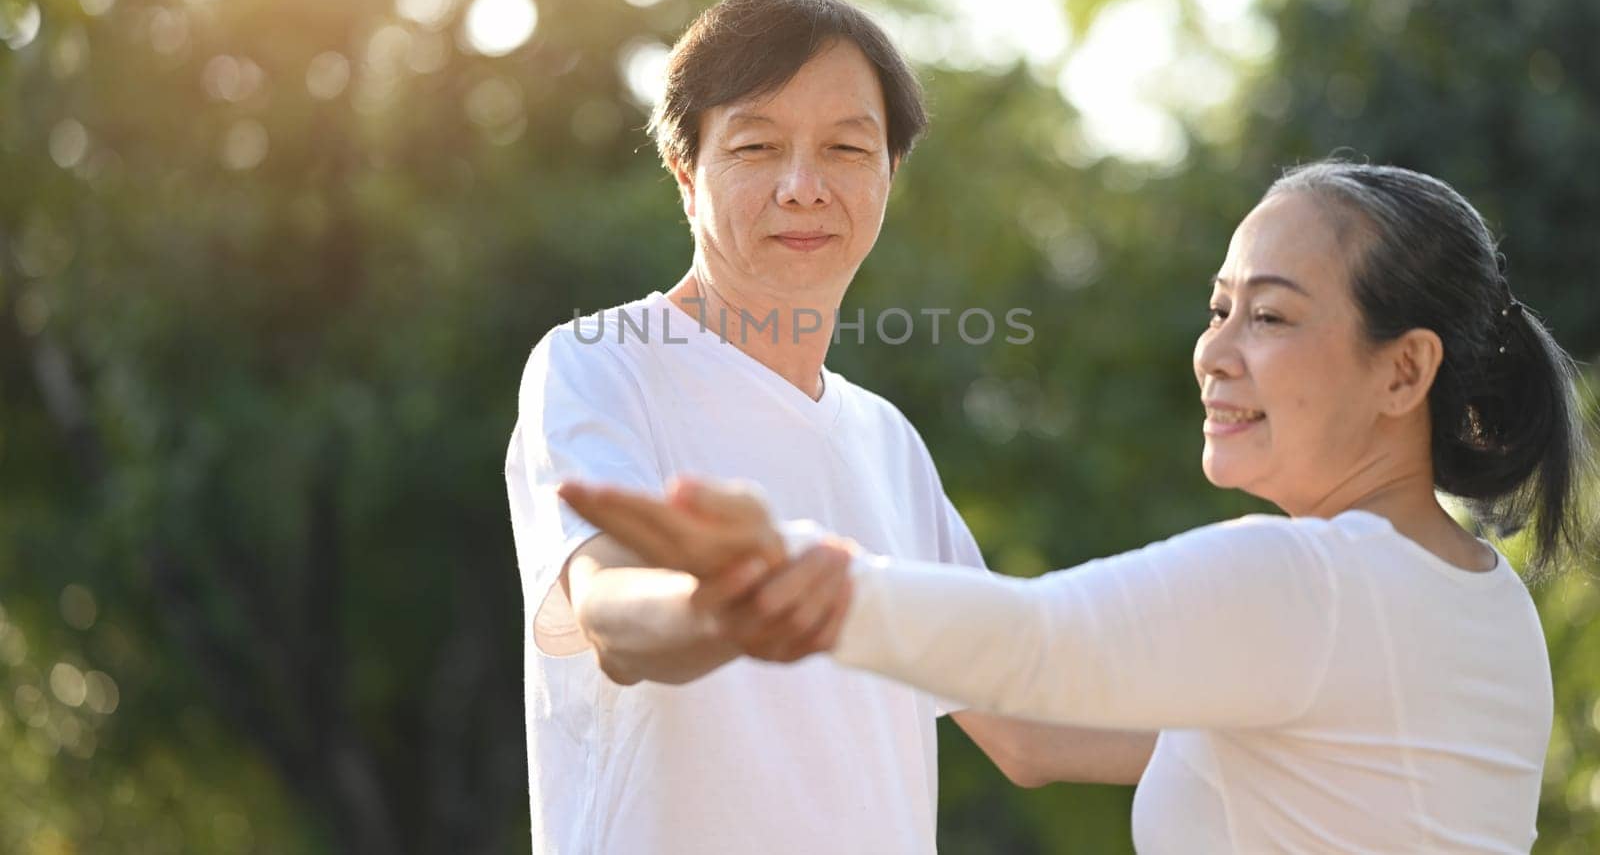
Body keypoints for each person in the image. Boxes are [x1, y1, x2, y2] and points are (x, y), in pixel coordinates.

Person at [562, 160, 1594, 853]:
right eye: (1218, 306)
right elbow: (1036, 727)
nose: (1214, 352)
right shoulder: (1478, 602)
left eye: (1270, 314)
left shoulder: (1309, 583)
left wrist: (787, 570)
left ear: (1403, 370)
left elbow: (1034, 642)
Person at [505, 0, 1149, 855]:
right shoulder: (600, 362)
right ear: (687, 173)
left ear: (889, 174)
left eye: (846, 148)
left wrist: (1285, 731)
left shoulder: (886, 439)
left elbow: (1025, 726)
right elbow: (613, 611)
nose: (803, 187)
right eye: (757, 146)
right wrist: (725, 607)